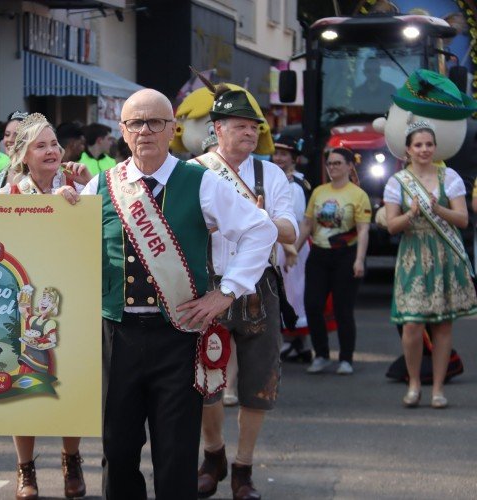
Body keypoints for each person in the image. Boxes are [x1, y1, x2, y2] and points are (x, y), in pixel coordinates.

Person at [81, 88, 276, 499]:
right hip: (118, 335)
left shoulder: (200, 181)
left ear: (173, 128)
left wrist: (226, 293)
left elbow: (261, 230)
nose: (145, 130)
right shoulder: (102, 184)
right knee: (117, 450)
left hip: (180, 335)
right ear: (123, 129)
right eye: (136, 122)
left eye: (156, 122)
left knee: (175, 452)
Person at [191, 85, 298, 499]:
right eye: (240, 126)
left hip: (258, 286)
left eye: (254, 126)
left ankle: (243, 468)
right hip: (207, 283)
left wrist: (257, 218)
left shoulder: (270, 174)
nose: (250, 132)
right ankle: (213, 452)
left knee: (259, 382)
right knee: (205, 379)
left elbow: (289, 231)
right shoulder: (194, 171)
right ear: (218, 129)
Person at [0, 112, 90, 499]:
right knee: (23, 386)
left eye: (54, 144)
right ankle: (25, 469)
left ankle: (72, 459)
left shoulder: (80, 188)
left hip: (72, 300)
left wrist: (81, 197)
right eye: (41, 145)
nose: (51, 151)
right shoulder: (7, 197)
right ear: (23, 157)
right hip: (23, 304)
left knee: (72, 384)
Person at [384, 122, 477, 408]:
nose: (424, 150)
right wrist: (411, 213)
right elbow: (391, 226)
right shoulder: (397, 182)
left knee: (442, 326)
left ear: (434, 148)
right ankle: (414, 382)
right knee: (412, 325)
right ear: (408, 150)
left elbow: (463, 220)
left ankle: (438, 388)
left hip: (444, 254)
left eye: (429, 144)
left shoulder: (449, 177)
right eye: (418, 145)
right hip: (413, 256)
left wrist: (438, 209)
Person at [297, 147, 370, 375]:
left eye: (338, 163)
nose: (333, 168)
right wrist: (292, 251)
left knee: (343, 309)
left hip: (345, 255)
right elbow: (307, 225)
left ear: (350, 166)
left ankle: (346, 358)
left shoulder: (358, 194)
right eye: (330, 164)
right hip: (319, 255)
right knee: (313, 305)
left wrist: (359, 260)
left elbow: (363, 230)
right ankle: (321, 355)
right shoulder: (319, 192)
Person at [272, 135, 312, 362]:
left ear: (293, 158)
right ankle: (289, 341)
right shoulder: (271, 178)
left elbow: (297, 222)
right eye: (276, 153)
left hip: (291, 244)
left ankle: (297, 341)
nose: (279, 158)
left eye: (284, 154)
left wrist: (292, 249)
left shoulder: (296, 186)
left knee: (294, 291)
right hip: (275, 243)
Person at [0, 111, 27, 193]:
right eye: (7, 135)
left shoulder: (37, 172)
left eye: (16, 135)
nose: (10, 140)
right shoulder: (0, 175)